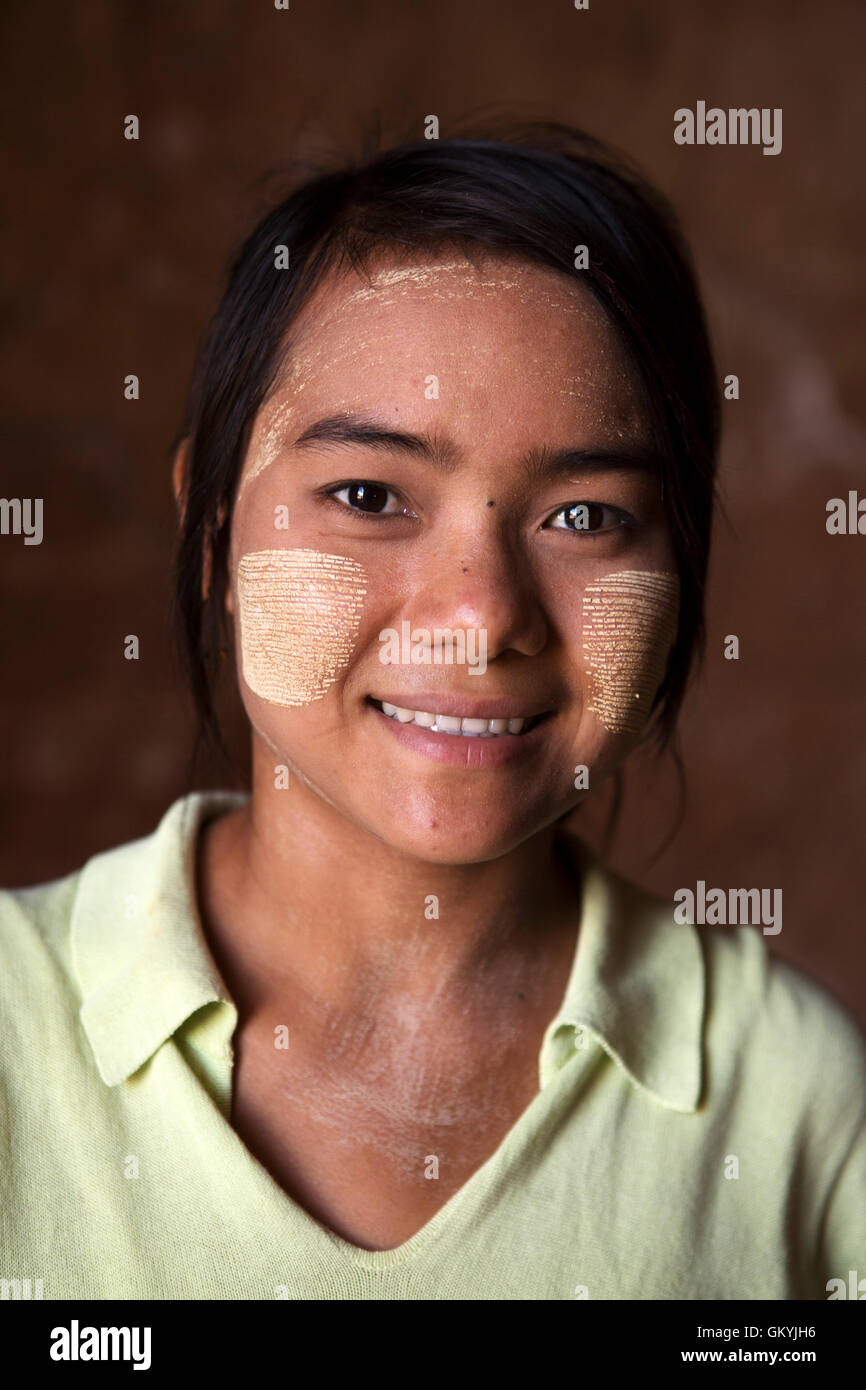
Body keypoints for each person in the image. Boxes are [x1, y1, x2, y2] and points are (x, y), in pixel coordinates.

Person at [2, 124, 863, 1301]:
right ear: (213, 532)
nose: (478, 617)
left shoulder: (795, 1103)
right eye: (368, 495)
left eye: (585, 516)